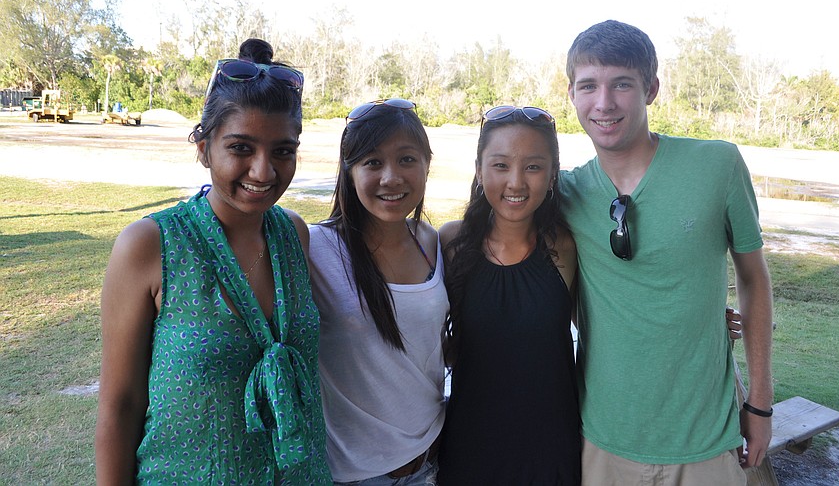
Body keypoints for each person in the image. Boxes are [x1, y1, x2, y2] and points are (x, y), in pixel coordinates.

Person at [95, 39, 331, 484]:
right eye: (241, 148)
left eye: (283, 150)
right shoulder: (150, 245)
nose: (264, 171)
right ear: (203, 148)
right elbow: (119, 404)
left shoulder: (294, 235)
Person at [559, 20, 774, 485]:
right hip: (602, 439)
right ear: (572, 94)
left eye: (622, 84)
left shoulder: (718, 165)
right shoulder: (565, 193)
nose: (604, 102)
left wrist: (759, 403)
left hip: (707, 441)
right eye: (589, 86)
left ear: (651, 89)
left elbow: (755, 280)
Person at [437, 106, 582, 485]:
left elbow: (612, 316)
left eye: (533, 167)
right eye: (500, 165)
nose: (516, 182)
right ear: (480, 169)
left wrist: (711, 319)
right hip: (472, 444)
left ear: (553, 175)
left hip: (551, 446)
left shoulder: (564, 246)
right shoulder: (452, 243)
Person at [309, 98, 447, 485]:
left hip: (429, 463)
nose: (391, 177)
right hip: (354, 475)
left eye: (407, 159)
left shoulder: (433, 243)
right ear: (348, 171)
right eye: (372, 162)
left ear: (426, 166)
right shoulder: (314, 247)